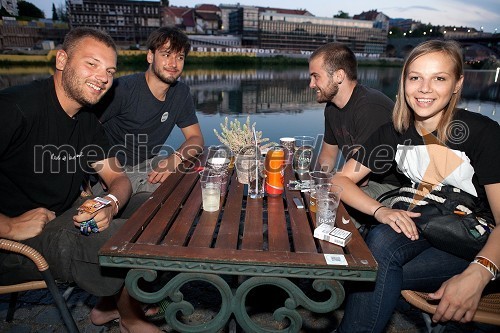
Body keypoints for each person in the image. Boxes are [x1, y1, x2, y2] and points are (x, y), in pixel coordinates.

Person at [332, 39, 500, 332]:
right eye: (415, 77)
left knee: (373, 271)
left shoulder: (482, 133)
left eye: (439, 78)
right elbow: (339, 180)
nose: (424, 88)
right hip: (432, 223)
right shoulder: (395, 132)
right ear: (404, 82)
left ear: (457, 84)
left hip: (479, 241)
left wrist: (480, 271)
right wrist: (380, 211)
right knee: (381, 240)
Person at [0, 27, 161, 332]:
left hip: (65, 215)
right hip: (12, 243)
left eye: (110, 70)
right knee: (121, 239)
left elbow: (118, 178)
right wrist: (8, 225)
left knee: (151, 206)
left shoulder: (87, 122)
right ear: (62, 60)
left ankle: (107, 307)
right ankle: (130, 318)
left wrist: (110, 204)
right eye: (92, 63)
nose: (103, 77)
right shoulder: (14, 108)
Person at [95, 26, 204, 194]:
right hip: (117, 173)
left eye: (180, 57)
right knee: (174, 193)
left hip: (150, 163)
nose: (173, 64)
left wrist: (174, 159)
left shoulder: (180, 93)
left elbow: (196, 138)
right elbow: (83, 129)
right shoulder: (122, 89)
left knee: (202, 177)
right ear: (150, 56)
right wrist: (101, 172)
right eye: (166, 55)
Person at [308, 43, 401, 226]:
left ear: (339, 76)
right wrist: (317, 184)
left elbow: (362, 178)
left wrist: (327, 190)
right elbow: (327, 155)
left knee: (331, 212)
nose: (311, 84)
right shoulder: (332, 107)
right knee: (310, 198)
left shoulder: (370, 107)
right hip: (355, 178)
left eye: (315, 77)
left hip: (391, 187)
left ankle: (341, 252)